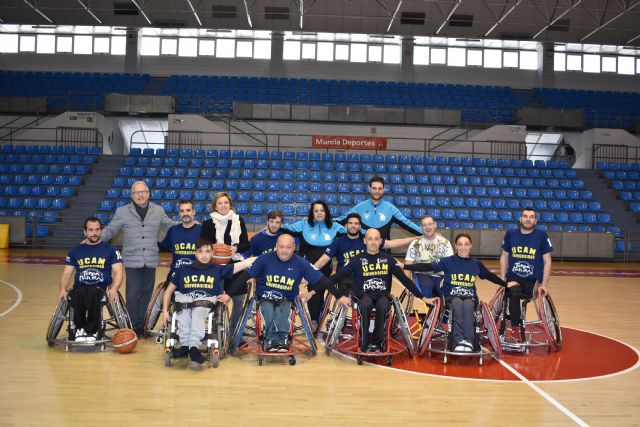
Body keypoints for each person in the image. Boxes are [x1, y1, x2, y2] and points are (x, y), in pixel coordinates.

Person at [303, 228, 431, 353]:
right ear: (365, 241)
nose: (373, 242)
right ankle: (364, 341)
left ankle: (377, 342)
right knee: (365, 304)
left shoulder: (389, 259)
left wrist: (423, 297)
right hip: (362, 296)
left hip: (382, 295)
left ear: (380, 241)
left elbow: (406, 281)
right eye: (370, 239)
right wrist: (313, 292)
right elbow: (335, 278)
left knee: (383, 305)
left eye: (376, 239)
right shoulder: (356, 260)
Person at [228, 234, 334, 352]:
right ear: (276, 247)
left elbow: (322, 279)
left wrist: (337, 296)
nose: (284, 250)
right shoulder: (264, 258)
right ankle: (270, 339)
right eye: (281, 247)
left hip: (287, 298)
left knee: (283, 310)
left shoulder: (300, 262)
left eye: (288, 247)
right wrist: (229, 294)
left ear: (294, 248)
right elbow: (244, 276)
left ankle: (282, 340)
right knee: (268, 309)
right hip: (265, 297)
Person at [404, 233, 509, 352]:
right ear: (456, 246)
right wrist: (406, 266)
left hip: (470, 297)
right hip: (451, 297)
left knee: (469, 304)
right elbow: (427, 266)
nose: (463, 247)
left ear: (471, 246)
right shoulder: (448, 261)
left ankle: (469, 341)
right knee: (458, 303)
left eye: (466, 244)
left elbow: (489, 276)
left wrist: (506, 284)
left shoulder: (475, 263)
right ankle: (458, 340)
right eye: (460, 244)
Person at [161, 239, 255, 370]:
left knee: (198, 312)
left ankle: (192, 347)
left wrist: (265, 257)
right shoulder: (183, 269)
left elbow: (244, 263)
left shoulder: (218, 269)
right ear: (195, 253)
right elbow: (169, 291)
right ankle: (185, 345)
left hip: (204, 302)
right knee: (183, 313)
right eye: (200, 251)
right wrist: (165, 311)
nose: (204, 255)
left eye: (207, 251)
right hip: (185, 301)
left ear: (212, 253)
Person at [100, 180, 176, 336]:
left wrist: (189, 225)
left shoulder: (158, 210)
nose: (140, 195)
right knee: (133, 293)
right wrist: (94, 238)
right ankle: (133, 326)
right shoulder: (122, 211)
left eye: (143, 192)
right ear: (132, 195)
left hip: (150, 258)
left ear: (148, 193)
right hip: (132, 259)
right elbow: (111, 230)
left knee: (147, 292)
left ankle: (143, 325)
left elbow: (170, 225)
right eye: (137, 192)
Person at [314, 212, 418, 294]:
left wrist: (415, 238)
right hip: (345, 277)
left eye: (356, 223)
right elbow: (323, 260)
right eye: (350, 223)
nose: (353, 226)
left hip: (365, 276)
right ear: (345, 226)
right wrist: (309, 274)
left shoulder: (368, 240)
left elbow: (391, 244)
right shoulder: (338, 242)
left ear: (360, 226)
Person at [280, 200, 346, 324]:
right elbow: (282, 228)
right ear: (312, 213)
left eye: (322, 210)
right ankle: (310, 320)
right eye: (316, 211)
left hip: (325, 268)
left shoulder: (335, 227)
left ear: (326, 212)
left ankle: (315, 319)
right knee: (311, 291)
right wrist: (269, 227)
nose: (319, 213)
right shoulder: (303, 225)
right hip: (305, 268)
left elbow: (353, 233)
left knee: (319, 293)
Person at [58, 217, 123, 342]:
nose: (94, 233)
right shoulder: (75, 251)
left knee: (93, 293)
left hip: (100, 287)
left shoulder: (110, 250)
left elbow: (118, 272)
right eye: (91, 230)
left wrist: (114, 288)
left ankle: (92, 331)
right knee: (78, 293)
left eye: (97, 229)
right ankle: (79, 329)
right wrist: (62, 289)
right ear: (85, 232)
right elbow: (66, 274)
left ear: (101, 231)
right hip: (80, 287)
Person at [200, 191, 250, 337]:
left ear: (230, 205)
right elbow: (202, 245)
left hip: (235, 264)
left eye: (226, 202)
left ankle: (235, 331)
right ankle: (215, 330)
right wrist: (214, 249)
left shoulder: (238, 220)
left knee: (238, 299)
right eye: (220, 203)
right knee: (215, 300)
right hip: (214, 266)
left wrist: (235, 247)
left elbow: (246, 244)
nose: (223, 205)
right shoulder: (208, 224)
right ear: (215, 206)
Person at [500, 207, 553, 341]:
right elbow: (504, 257)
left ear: (535, 221)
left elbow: (547, 261)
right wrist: (502, 281)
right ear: (520, 219)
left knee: (514, 293)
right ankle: (516, 329)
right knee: (513, 292)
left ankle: (515, 325)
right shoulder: (511, 234)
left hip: (532, 281)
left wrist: (544, 285)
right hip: (514, 279)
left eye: (531, 217)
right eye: (525, 216)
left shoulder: (542, 236)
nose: (528, 219)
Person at [338, 176, 422, 240]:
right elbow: (342, 220)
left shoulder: (391, 208)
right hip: (363, 252)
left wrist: (424, 233)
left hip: (384, 252)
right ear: (369, 189)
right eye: (374, 188)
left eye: (380, 188)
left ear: (383, 190)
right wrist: (326, 223)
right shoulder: (359, 207)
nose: (377, 191)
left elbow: (407, 223)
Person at [403, 215, 454, 298]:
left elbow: (451, 265)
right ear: (421, 227)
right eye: (424, 225)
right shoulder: (415, 244)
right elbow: (407, 266)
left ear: (435, 225)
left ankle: (442, 309)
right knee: (426, 290)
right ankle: (432, 310)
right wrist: (407, 285)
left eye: (430, 224)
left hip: (440, 275)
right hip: (422, 275)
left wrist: (447, 278)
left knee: (447, 292)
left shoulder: (445, 243)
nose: (427, 227)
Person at [161, 200, 202, 278]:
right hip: (176, 274)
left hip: (196, 275)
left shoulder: (202, 230)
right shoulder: (173, 230)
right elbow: (162, 247)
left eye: (188, 210)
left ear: (194, 212)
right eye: (182, 211)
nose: (185, 214)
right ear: (179, 213)